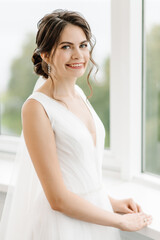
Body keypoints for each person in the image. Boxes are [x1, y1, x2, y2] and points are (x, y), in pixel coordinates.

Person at [0, 9, 152, 240]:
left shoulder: (79, 93)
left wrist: (112, 202)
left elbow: (81, 176)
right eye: (66, 47)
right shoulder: (36, 108)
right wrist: (119, 221)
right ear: (46, 55)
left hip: (93, 218)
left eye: (83, 45)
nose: (78, 55)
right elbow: (58, 198)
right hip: (61, 227)